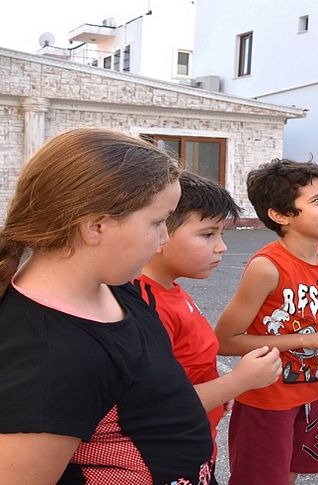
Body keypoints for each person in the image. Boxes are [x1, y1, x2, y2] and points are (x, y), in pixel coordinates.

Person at [0, 128, 214, 483]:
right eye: (159, 222)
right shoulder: (53, 359)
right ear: (95, 226)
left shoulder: (116, 286)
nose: (163, 239)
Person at [214, 159, 318, 485]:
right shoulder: (267, 267)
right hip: (266, 399)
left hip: (314, 393)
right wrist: (310, 340)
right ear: (281, 215)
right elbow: (226, 340)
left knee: (289, 474)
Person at [132, 171, 282, 479]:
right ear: (159, 232)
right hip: (166, 457)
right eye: (207, 234)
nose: (222, 247)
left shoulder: (170, 288)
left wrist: (217, 385)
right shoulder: (145, 306)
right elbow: (157, 406)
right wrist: (237, 381)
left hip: (197, 443)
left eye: (222, 234)